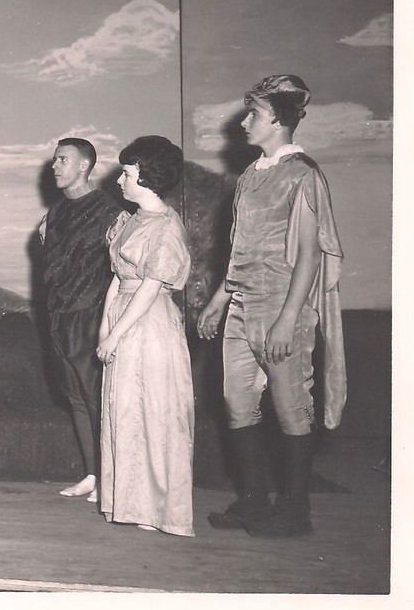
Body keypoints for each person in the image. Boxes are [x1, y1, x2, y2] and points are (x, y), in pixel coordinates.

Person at [197, 75, 345, 538]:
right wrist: (220, 299)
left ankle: (295, 512)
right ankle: (255, 504)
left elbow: (310, 255)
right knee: (237, 403)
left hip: (283, 309)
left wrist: (287, 320)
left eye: (254, 114)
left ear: (278, 120)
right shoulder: (250, 175)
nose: (245, 122)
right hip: (242, 306)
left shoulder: (303, 175)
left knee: (290, 407)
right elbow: (241, 249)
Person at [96, 136, 195, 537]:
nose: (119, 180)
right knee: (124, 411)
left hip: (149, 324)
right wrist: (105, 327)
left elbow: (150, 288)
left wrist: (115, 335)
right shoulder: (129, 220)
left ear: (148, 176)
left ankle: (158, 509)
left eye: (127, 173)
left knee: (153, 412)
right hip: (123, 314)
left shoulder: (167, 227)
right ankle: (131, 503)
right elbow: (118, 278)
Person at [39, 137, 123, 501]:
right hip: (59, 315)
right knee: (74, 396)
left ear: (84, 165)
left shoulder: (109, 211)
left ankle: (111, 479)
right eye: (55, 159)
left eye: (63, 160)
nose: (54, 166)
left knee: (94, 397)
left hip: (91, 314)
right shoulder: (56, 212)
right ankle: (92, 474)